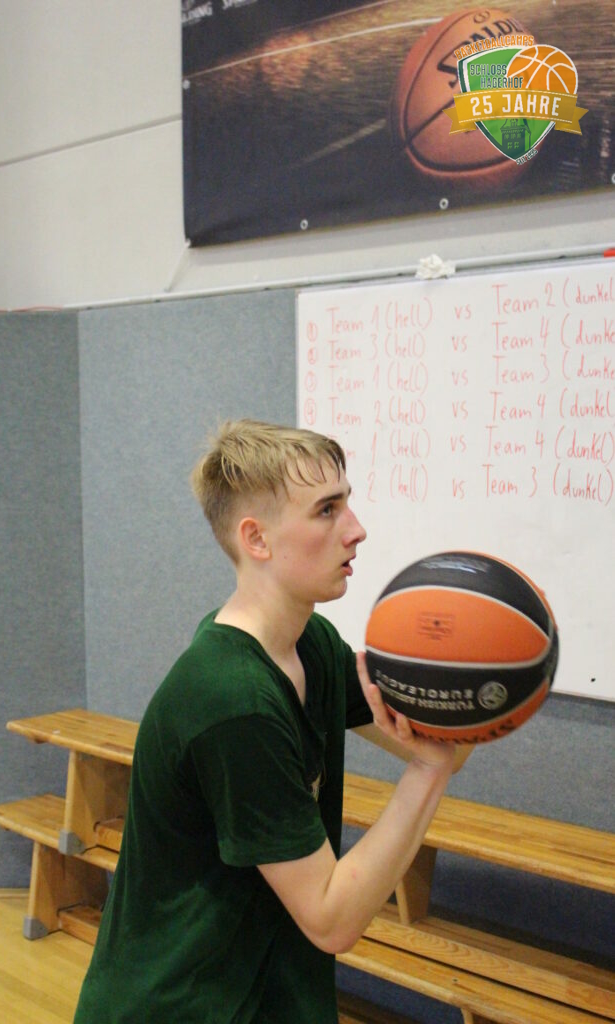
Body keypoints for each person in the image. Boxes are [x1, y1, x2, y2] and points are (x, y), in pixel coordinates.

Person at [73, 419, 468, 1024]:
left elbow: (434, 738)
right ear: (256, 538)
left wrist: (479, 682)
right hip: (181, 1006)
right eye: (327, 510)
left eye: (347, 503)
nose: (356, 530)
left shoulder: (312, 642)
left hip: (269, 994)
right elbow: (333, 919)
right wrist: (429, 771)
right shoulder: (233, 701)